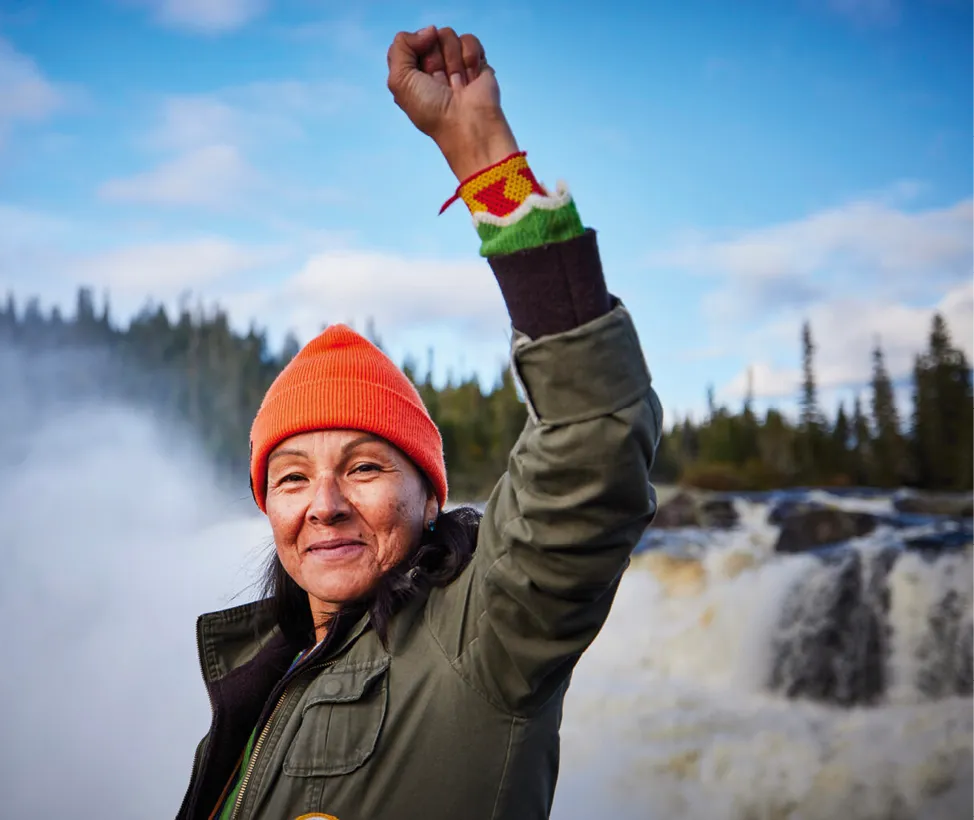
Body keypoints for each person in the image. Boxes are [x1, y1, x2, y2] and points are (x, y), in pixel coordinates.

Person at [175, 25, 662, 820]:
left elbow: (594, 439)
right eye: (292, 477)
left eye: (364, 467)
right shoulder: (265, 680)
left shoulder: (489, 635)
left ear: (430, 496)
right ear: (270, 507)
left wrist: (483, 158)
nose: (323, 502)